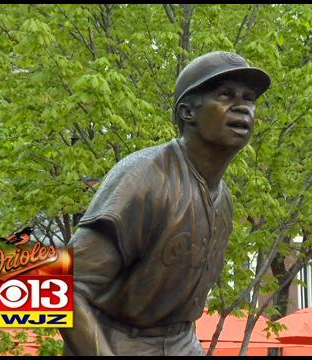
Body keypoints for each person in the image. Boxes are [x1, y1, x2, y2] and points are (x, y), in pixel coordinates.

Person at [59, 51, 271, 356]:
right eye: (225, 95)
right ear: (187, 113)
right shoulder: (143, 176)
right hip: (116, 343)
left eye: (249, 98)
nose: (242, 107)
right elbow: (54, 285)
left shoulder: (223, 199)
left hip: (181, 343)